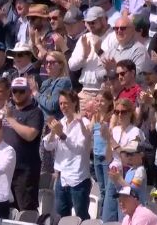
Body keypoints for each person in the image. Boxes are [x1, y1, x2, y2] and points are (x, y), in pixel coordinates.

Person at [44, 89, 93, 218]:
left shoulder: (85, 124)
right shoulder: (60, 123)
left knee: (81, 216)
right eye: (60, 104)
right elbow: (48, 146)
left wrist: (62, 135)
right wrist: (54, 132)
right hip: (62, 178)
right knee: (61, 216)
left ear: (74, 103)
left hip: (79, 178)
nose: (63, 106)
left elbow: (79, 149)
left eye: (66, 103)